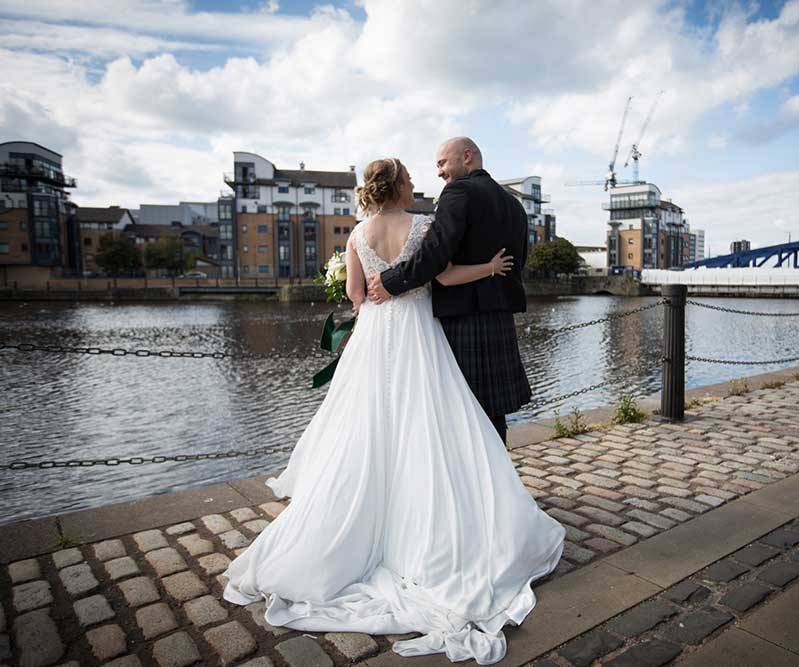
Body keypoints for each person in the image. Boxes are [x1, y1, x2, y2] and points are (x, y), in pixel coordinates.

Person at [221, 157, 565, 665]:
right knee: (427, 425)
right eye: (409, 179)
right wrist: (491, 268)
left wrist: (374, 308)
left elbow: (356, 297)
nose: (416, 184)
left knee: (364, 429)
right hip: (419, 336)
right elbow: (442, 277)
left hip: (373, 339)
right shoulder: (422, 225)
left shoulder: (357, 233)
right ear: (398, 186)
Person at [367, 137, 532, 444]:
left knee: (463, 407)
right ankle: (496, 483)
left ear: (467, 156)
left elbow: (434, 254)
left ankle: (474, 486)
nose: (439, 172)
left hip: (463, 317)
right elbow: (520, 259)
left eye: (442, 163)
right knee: (493, 409)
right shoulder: (513, 204)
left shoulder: (459, 192)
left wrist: (390, 282)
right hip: (500, 315)